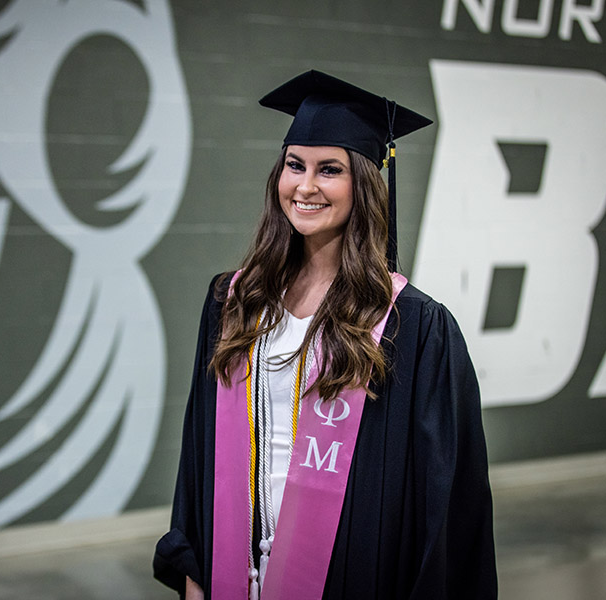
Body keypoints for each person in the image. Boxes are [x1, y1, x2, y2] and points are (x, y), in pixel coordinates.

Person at [153, 70, 497, 599]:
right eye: (295, 165)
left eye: (329, 170)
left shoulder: (413, 327)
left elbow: (447, 500)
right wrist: (192, 566)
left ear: (364, 183)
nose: (306, 186)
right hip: (234, 573)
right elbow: (198, 450)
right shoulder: (233, 302)